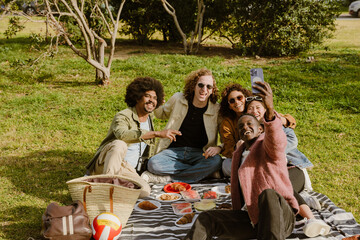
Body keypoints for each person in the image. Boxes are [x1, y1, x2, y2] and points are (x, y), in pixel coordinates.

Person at [185, 81, 299, 240]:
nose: (245, 127)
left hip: (280, 218)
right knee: (206, 218)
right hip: (253, 219)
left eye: (249, 124)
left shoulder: (267, 145)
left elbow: (277, 140)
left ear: (260, 128)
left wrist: (270, 110)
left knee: (268, 195)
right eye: (241, 126)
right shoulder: (239, 154)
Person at [246, 95, 330, 237]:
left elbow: (292, 141)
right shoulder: (248, 130)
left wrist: (271, 150)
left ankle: (311, 219)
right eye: (251, 108)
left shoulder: (277, 123)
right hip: (270, 175)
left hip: (292, 168)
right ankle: (303, 200)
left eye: (258, 107)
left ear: (265, 109)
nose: (254, 110)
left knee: (278, 185)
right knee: (271, 192)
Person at [85, 77, 181, 198]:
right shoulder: (123, 115)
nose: (152, 100)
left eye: (155, 98)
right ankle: (105, 186)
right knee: (120, 144)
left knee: (145, 191)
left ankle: (108, 186)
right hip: (108, 162)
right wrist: (156, 133)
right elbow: (122, 134)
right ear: (137, 97)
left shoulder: (149, 118)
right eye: (148, 96)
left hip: (126, 168)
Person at [141, 68, 223, 183]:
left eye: (208, 87)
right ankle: (201, 173)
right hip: (173, 151)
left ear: (212, 90)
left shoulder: (216, 109)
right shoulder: (178, 99)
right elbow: (162, 114)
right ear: (193, 86)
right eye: (200, 85)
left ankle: (170, 178)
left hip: (200, 153)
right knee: (153, 164)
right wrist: (158, 103)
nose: (204, 90)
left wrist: (219, 147)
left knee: (216, 161)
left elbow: (225, 137)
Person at [219, 83, 297, 177]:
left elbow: (287, 120)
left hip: (268, 151)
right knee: (227, 164)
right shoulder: (228, 123)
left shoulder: (258, 111)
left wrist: (282, 120)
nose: (236, 102)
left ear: (245, 98)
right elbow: (228, 147)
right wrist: (237, 148)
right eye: (232, 101)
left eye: (239, 98)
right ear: (229, 106)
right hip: (246, 154)